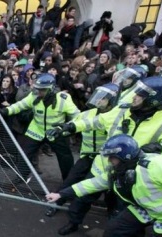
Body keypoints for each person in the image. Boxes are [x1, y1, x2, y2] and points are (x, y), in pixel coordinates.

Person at [45, 76, 162, 235]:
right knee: (82, 200)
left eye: (140, 95)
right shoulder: (122, 110)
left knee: (118, 208)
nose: (134, 96)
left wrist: (160, 148)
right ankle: (73, 222)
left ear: (152, 101)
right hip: (103, 167)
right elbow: (95, 121)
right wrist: (69, 127)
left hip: (131, 177)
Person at [46, 134, 162, 236]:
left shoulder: (155, 165)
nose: (109, 161)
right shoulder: (120, 169)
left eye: (112, 157)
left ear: (125, 156)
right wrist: (61, 194)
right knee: (113, 231)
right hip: (145, 208)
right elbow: (94, 183)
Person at [45, 83, 120, 217]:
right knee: (70, 179)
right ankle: (56, 203)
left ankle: (111, 213)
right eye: (98, 97)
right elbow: (72, 125)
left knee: (109, 191)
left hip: (105, 159)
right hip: (87, 156)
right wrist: (59, 131)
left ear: (112, 101)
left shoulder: (116, 119)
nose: (98, 100)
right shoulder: (86, 114)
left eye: (103, 98)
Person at [0, 73, 80, 182]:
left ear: (51, 89)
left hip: (56, 132)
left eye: (43, 90)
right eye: (38, 89)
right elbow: (20, 105)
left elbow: (77, 116)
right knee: (25, 153)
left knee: (65, 157)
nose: (39, 92)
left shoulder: (63, 99)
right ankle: (22, 176)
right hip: (37, 130)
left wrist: (66, 127)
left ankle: (68, 182)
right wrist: (6, 111)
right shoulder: (34, 95)